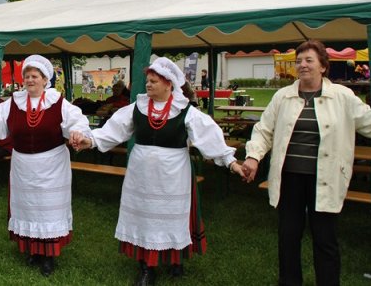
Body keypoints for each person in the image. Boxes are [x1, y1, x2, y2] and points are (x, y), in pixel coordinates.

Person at [70, 57, 244, 286]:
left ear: (169, 84)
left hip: (173, 174)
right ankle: (146, 267)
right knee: (144, 217)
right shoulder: (137, 108)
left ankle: (175, 258)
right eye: (148, 81)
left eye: (153, 81)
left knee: (171, 217)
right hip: (141, 174)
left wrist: (231, 162)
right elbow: (113, 130)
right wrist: (89, 140)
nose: (148, 85)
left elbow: (208, 137)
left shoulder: (186, 111)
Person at [241, 39, 371, 286]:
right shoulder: (283, 96)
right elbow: (264, 129)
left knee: (325, 239)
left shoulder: (342, 96)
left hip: (326, 178)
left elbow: (370, 122)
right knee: (288, 236)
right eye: (298, 61)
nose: (302, 65)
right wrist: (253, 156)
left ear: (323, 66)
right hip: (290, 178)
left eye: (308, 60)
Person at [0, 55, 92, 277]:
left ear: (45, 80)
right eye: (27, 76)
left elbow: (77, 120)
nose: (29, 80)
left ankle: (48, 255)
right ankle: (32, 249)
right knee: (28, 208)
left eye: (34, 76)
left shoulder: (58, 101)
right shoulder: (14, 101)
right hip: (23, 165)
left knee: (48, 209)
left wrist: (78, 131)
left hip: (51, 165)